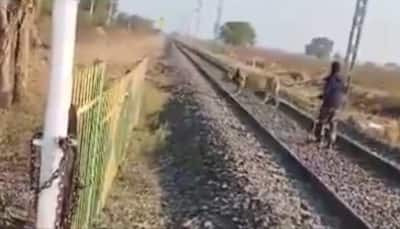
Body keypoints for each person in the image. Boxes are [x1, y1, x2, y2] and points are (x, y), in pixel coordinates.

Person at [313, 61, 347, 148]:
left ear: (332, 68)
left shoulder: (331, 79)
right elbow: (344, 92)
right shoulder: (342, 80)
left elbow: (327, 91)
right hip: (337, 105)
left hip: (328, 104)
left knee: (322, 121)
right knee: (333, 124)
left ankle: (319, 139)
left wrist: (321, 96)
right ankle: (330, 143)